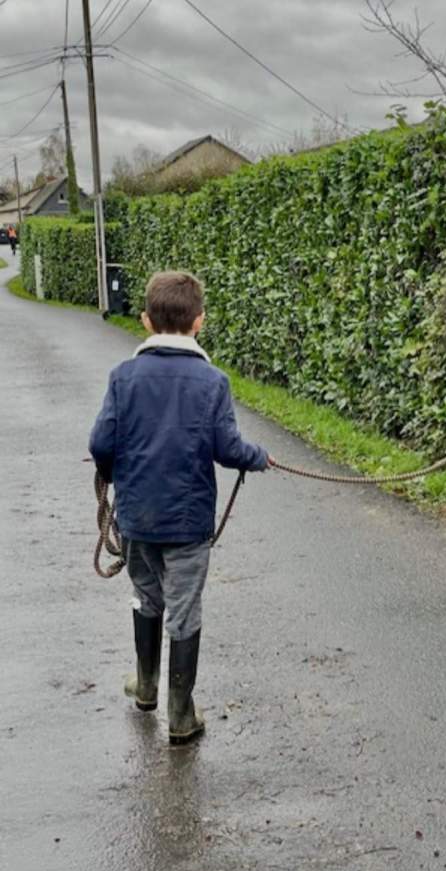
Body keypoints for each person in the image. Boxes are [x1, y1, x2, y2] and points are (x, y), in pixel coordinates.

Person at [89, 270, 273, 745]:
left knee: (146, 596)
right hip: (188, 523)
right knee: (184, 610)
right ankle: (180, 713)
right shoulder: (213, 381)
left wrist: (110, 476)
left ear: (146, 321)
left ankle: (146, 686)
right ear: (200, 323)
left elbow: (100, 441)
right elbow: (227, 448)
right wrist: (258, 457)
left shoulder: (123, 377)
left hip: (136, 520)